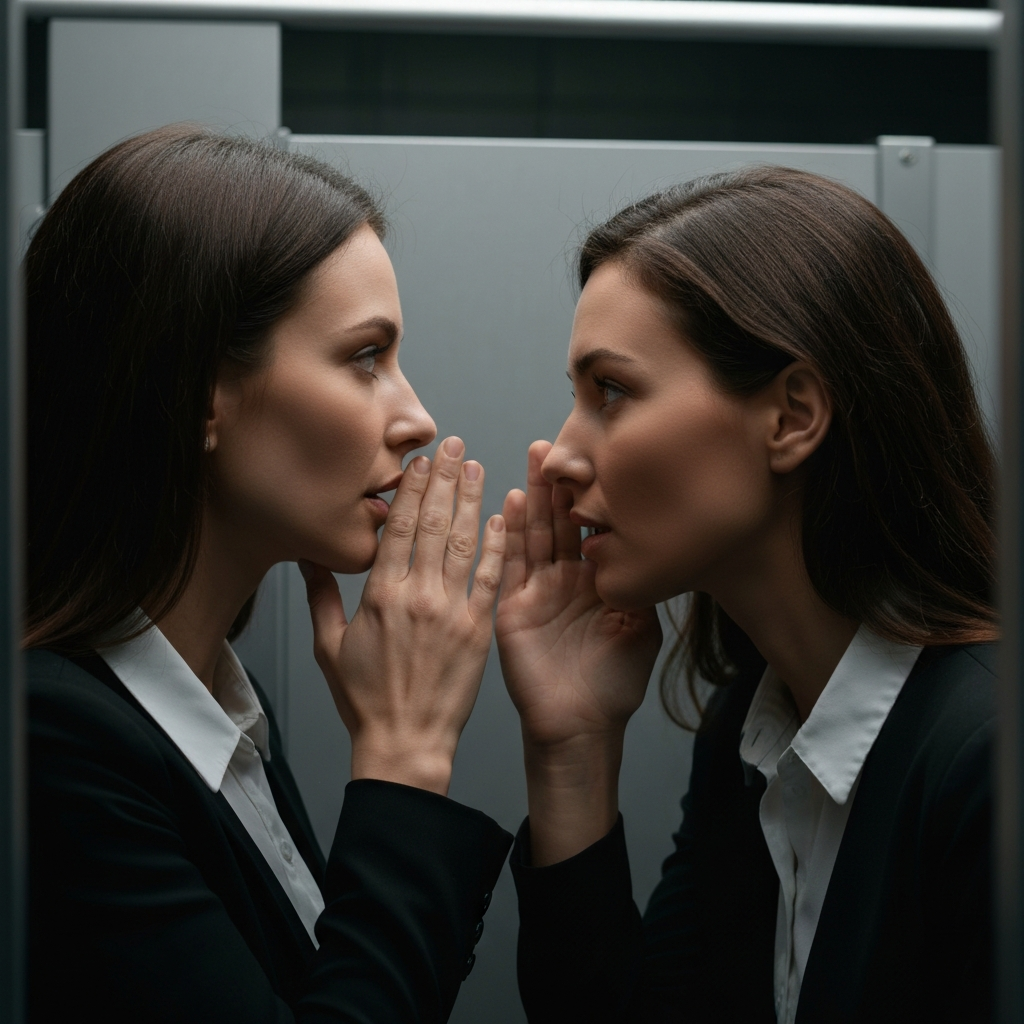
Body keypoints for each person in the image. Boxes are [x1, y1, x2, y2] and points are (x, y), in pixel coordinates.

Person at [26, 124, 512, 1023]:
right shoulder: (47, 744)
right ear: (199, 391)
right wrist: (404, 758)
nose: (415, 417)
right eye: (366, 357)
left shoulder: (221, 719)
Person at [495, 166, 996, 1023]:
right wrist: (570, 750)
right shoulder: (751, 732)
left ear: (793, 417)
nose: (563, 454)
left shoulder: (987, 766)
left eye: (610, 391)